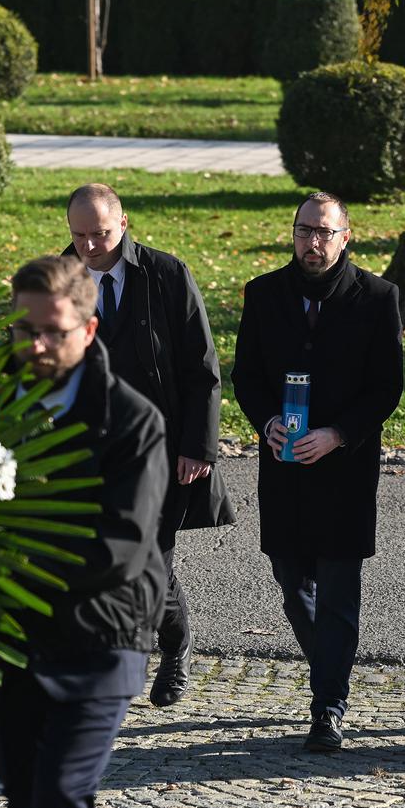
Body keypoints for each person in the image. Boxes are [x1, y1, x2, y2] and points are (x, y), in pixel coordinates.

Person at [0, 255, 168, 808]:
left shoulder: (131, 421)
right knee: (24, 799)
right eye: (24, 330)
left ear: (88, 331)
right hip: (13, 638)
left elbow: (121, 546)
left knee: (59, 797)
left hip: (101, 634)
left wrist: (3, 563)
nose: (36, 345)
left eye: (53, 333)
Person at [231, 191, 403, 751]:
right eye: (305, 230)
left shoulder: (378, 298)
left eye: (325, 232)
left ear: (345, 237)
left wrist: (338, 434)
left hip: (344, 472)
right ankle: (332, 665)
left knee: (337, 593)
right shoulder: (263, 294)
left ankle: (327, 704)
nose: (313, 242)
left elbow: (387, 387)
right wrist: (266, 421)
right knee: (291, 584)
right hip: (283, 466)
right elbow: (247, 376)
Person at [62, 183, 234, 708]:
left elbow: (201, 368)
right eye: (79, 236)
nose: (90, 246)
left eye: (101, 234)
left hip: (158, 452)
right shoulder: (57, 279)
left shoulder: (165, 275)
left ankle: (174, 642)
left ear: (125, 222)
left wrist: (198, 447)